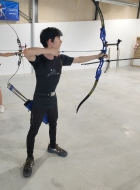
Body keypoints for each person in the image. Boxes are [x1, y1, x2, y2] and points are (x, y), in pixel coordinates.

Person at [22, 27, 107, 178]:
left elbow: (79, 59)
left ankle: (52, 146)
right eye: (58, 39)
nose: (61, 41)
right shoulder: (38, 60)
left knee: (54, 123)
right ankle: (29, 158)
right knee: (33, 129)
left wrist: (97, 56)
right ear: (50, 41)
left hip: (52, 99)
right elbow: (26, 52)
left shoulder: (60, 59)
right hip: (40, 100)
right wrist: (46, 50)